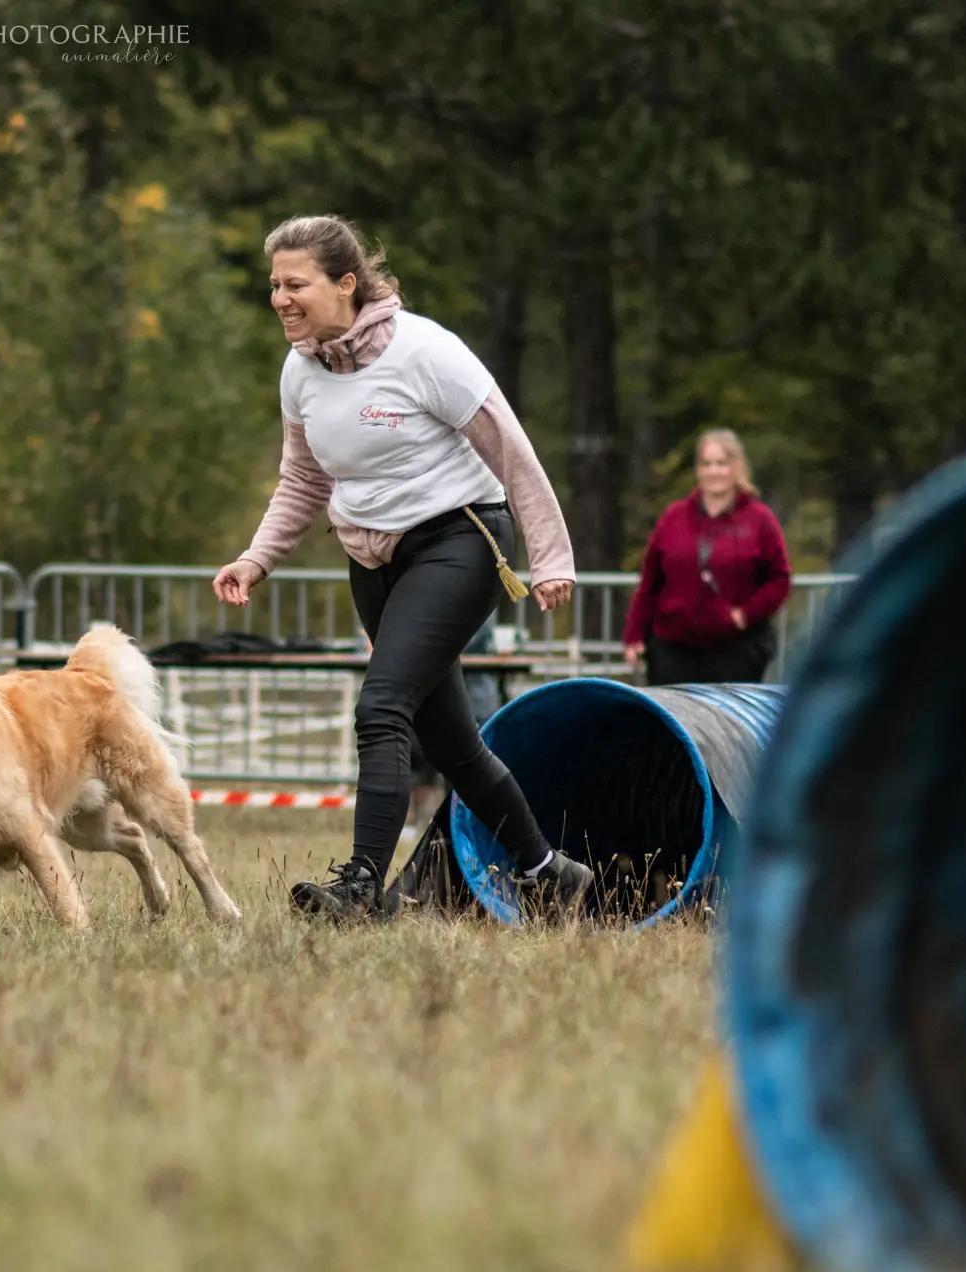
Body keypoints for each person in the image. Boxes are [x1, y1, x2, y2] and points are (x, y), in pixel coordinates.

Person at [212, 214, 593, 920]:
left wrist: (550, 559)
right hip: (372, 559)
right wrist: (255, 558)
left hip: (459, 542)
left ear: (346, 284)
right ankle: (552, 874)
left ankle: (360, 886)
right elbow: (302, 481)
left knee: (381, 706)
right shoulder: (300, 371)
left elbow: (512, 451)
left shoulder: (425, 353)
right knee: (451, 742)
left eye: (296, 284)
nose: (280, 299)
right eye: (274, 286)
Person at [620, 429, 791, 686]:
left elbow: (779, 579)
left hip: (734, 651)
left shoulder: (759, 519)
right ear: (698, 470)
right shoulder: (674, 517)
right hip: (672, 648)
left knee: (725, 724)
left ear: (736, 467)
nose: (714, 471)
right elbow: (650, 582)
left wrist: (746, 614)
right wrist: (633, 635)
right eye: (706, 463)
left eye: (721, 463)